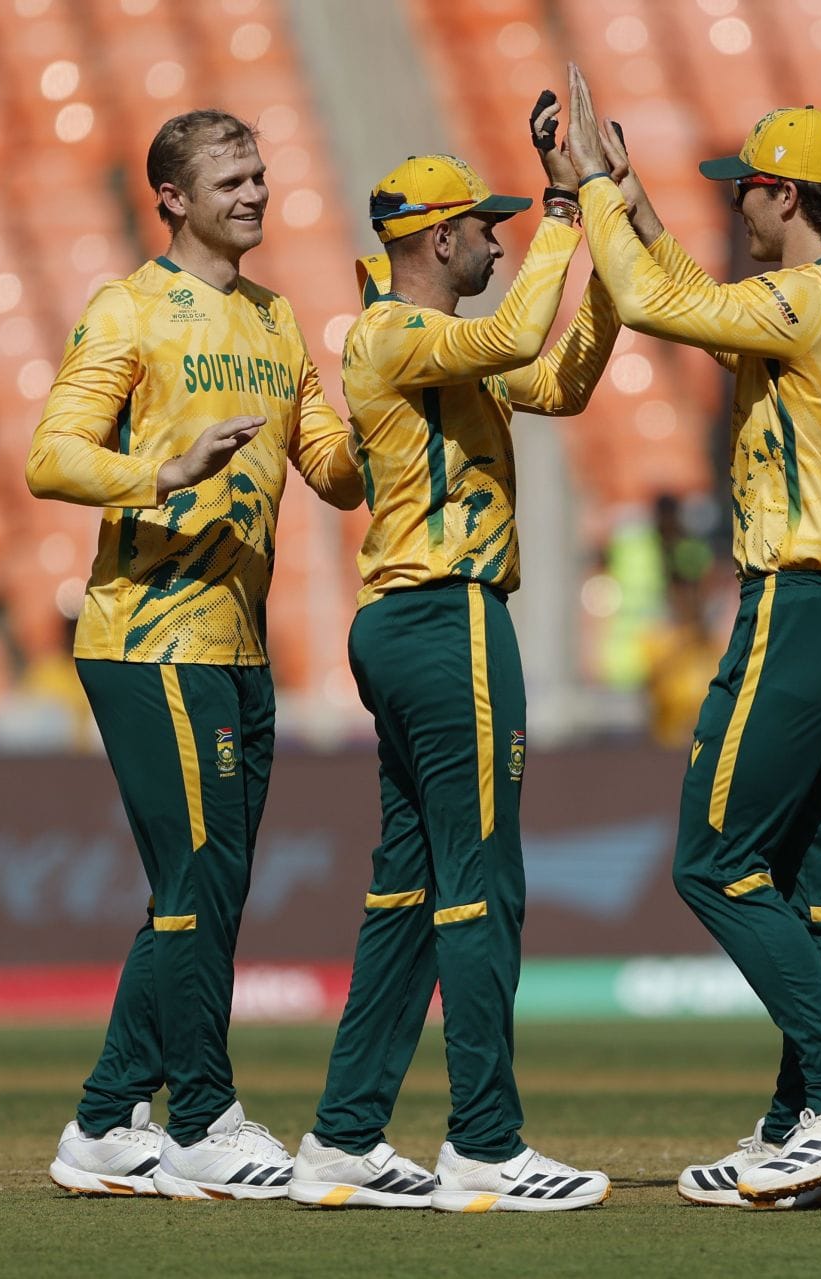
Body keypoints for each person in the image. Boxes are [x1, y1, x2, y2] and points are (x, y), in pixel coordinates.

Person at [564, 70, 821, 1207]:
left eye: (744, 194)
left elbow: (667, 309)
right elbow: (705, 305)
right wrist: (640, 202)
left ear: (784, 195)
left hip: (803, 600)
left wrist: (596, 203)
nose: (735, 212)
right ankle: (803, 1123)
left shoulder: (819, 298)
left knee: (714, 860)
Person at [31, 109, 363, 1199]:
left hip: (237, 644)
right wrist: (163, 473)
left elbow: (331, 467)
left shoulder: (276, 319)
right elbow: (52, 455)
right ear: (173, 197)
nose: (257, 192)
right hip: (148, 634)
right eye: (232, 178)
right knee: (200, 882)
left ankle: (101, 1121)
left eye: (262, 173)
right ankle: (204, 1118)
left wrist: (385, 401)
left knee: (199, 885)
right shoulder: (130, 308)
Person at [293, 117, 621, 1213]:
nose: (499, 239)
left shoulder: (441, 353)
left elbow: (562, 378)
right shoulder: (397, 334)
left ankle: (345, 1136)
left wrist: (612, 276)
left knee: (410, 889)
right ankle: (484, 1142)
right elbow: (525, 338)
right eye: (489, 225)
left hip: (412, 625)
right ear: (436, 239)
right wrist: (574, 214)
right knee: (484, 884)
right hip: (448, 619)